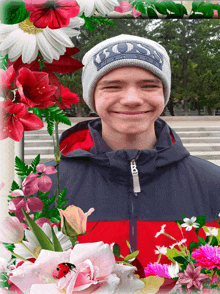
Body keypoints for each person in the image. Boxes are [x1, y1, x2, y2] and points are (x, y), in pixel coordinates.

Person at [47, 35, 220, 277]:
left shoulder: (213, 183)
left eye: (149, 85)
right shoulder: (44, 185)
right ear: (91, 95)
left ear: (164, 93)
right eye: (112, 86)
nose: (132, 100)